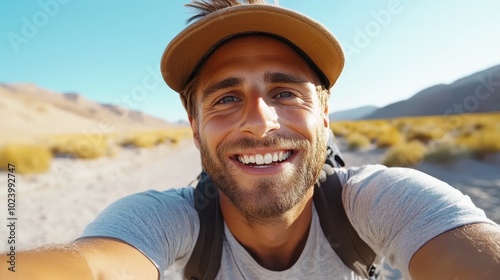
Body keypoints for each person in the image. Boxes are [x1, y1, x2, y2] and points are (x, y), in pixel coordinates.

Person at [2, 1, 500, 279]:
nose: (259, 123)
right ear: (195, 126)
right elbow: (93, 268)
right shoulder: (166, 219)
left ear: (325, 116)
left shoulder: (383, 199)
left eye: (285, 92)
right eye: (224, 99)